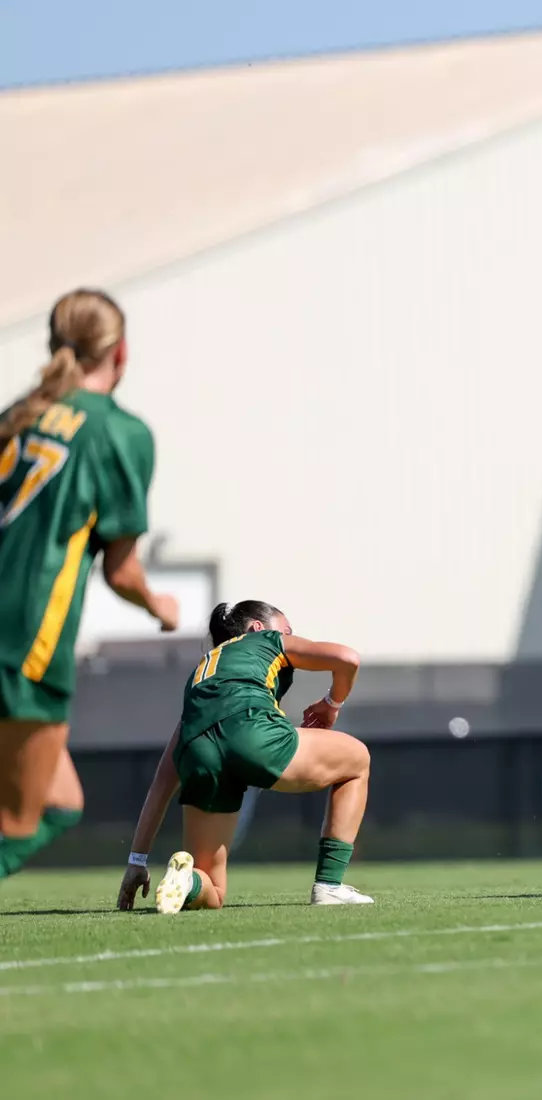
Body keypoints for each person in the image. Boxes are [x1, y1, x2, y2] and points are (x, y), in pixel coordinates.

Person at [0, 289, 178, 885]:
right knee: (20, 822)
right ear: (121, 352)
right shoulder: (118, 433)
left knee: (61, 802)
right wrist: (160, 604)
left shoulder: (18, 416)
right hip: (25, 641)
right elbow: (122, 570)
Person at [117, 600, 374, 911]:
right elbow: (347, 659)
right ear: (257, 628)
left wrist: (137, 860)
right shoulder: (265, 640)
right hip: (250, 732)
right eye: (288, 630)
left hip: (197, 752)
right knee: (357, 759)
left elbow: (163, 781)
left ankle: (188, 881)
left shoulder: (206, 673)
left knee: (213, 890)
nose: (293, 637)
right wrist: (332, 703)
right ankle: (329, 886)